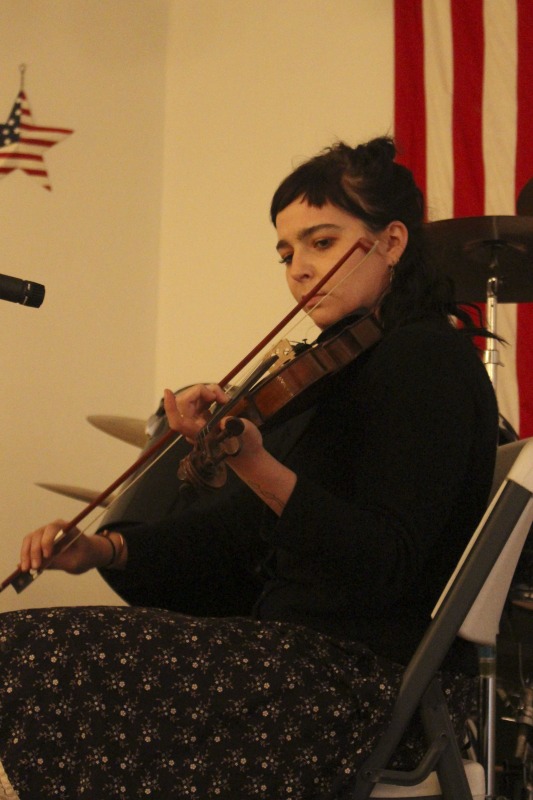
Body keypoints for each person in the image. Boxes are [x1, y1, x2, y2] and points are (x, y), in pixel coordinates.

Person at [0, 137, 499, 800]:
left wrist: (259, 465)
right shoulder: (338, 373)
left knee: (27, 657)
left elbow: (385, 560)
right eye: (286, 251)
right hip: (294, 664)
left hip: (363, 688)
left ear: (392, 242)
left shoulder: (423, 360)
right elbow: (239, 536)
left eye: (321, 242)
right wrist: (106, 547)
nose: (297, 269)